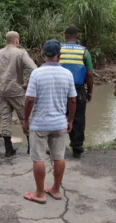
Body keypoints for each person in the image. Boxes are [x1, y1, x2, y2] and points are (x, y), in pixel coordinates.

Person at [22, 39, 77, 204]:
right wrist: (70, 120)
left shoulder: (37, 73)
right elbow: (73, 100)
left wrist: (26, 120)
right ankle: (56, 189)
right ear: (59, 56)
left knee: (38, 158)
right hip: (60, 123)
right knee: (59, 157)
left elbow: (30, 99)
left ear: (43, 54)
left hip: (40, 123)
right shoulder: (67, 74)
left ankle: (39, 193)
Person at [0, 31, 37, 157]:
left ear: (6, 40)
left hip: (2, 90)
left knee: (5, 119)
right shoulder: (21, 53)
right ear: (16, 40)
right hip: (17, 90)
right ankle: (30, 147)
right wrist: (28, 83)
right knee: (25, 118)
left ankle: (8, 148)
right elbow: (34, 69)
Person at [59, 26, 93, 159]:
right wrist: (89, 92)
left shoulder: (59, 49)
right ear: (77, 37)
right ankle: (77, 148)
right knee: (78, 118)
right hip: (78, 89)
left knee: (60, 115)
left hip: (60, 89)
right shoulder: (84, 51)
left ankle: (57, 146)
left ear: (65, 36)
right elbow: (89, 74)